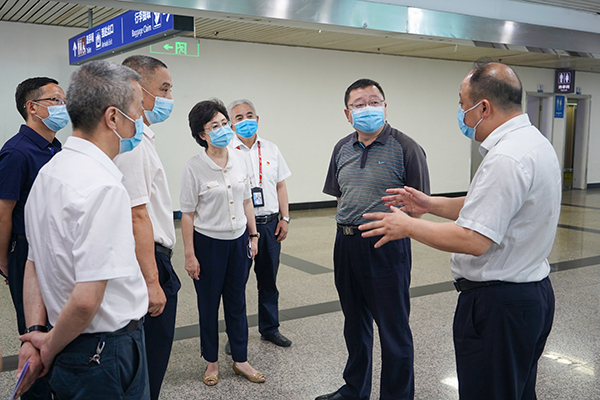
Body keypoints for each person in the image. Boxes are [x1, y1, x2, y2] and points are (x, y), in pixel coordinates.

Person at [360, 62, 560, 400]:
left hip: (499, 307)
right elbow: (488, 204)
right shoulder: (533, 143)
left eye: (462, 103)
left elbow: (474, 240)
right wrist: (429, 204)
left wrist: (408, 226)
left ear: (484, 108)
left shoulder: (506, 159)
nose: (461, 113)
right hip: (530, 296)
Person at [15, 60, 150, 399]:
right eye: (138, 110)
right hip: (104, 352)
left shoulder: (49, 173)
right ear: (113, 117)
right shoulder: (103, 187)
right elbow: (87, 300)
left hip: (65, 340)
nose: (142, 120)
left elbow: (34, 263)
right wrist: (48, 346)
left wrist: (36, 333)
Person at [319, 79, 430, 400]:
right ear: (347, 113)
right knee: (354, 324)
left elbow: (419, 207)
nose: (368, 108)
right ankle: (355, 390)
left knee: (393, 329)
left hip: (386, 245)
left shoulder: (406, 147)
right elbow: (341, 195)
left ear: (385, 106)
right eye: (359, 104)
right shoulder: (341, 148)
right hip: (346, 244)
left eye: (374, 101)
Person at [181, 99, 265, 386]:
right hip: (208, 245)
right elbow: (188, 215)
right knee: (208, 305)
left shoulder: (240, 158)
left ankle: (240, 359)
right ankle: (211, 361)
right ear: (202, 134)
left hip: (238, 242)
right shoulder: (194, 167)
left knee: (237, 302)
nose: (222, 129)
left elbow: (247, 201)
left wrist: (253, 235)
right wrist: (189, 255)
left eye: (224, 123)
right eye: (214, 126)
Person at [114, 55, 181, 400]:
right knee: (150, 357)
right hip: (147, 258)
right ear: (138, 90)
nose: (169, 98)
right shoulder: (132, 142)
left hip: (151, 255)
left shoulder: (143, 137)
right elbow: (135, 214)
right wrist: (153, 281)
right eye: (164, 89)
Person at [0, 76, 68, 400]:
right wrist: (3, 260)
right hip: (25, 248)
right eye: (55, 101)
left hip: (57, 246)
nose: (63, 107)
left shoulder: (56, 147)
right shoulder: (16, 152)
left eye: (64, 101)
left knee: (59, 322)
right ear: (32, 107)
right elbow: (3, 212)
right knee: (33, 327)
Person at [228, 99, 292, 349]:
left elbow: (281, 185)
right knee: (236, 283)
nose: (245, 120)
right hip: (240, 227)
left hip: (269, 224)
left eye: (249, 115)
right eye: (239, 117)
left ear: (257, 119)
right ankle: (236, 335)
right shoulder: (227, 151)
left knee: (268, 281)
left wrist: (285, 218)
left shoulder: (271, 149)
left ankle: (270, 328)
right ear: (231, 125)